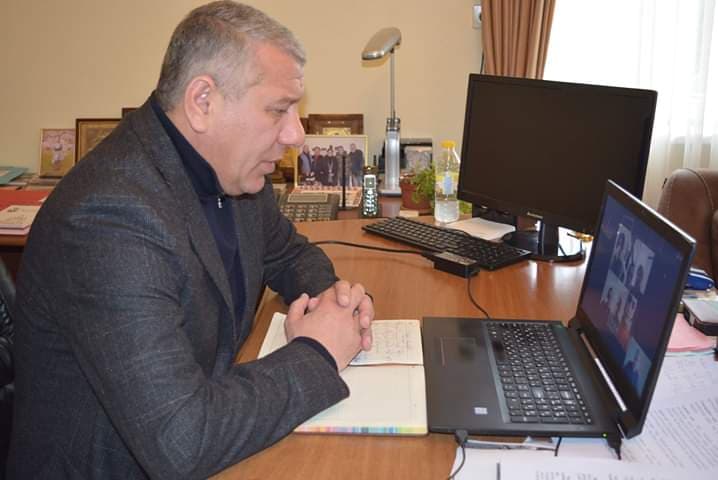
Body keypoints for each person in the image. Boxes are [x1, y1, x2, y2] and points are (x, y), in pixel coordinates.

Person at [7, 2, 374, 478]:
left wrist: (332, 300)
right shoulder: (108, 218)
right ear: (203, 101)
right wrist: (318, 352)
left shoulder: (234, 171)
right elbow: (183, 440)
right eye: (278, 110)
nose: (296, 135)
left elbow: (287, 253)